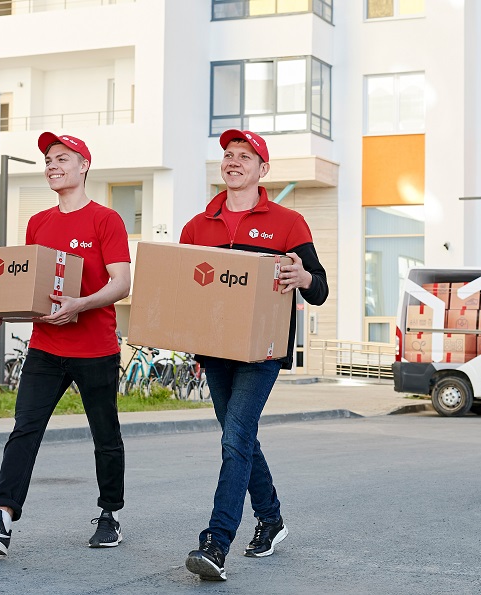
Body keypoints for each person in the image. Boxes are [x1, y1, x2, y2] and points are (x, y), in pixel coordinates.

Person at [0, 132, 131, 556]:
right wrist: (4, 308)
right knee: (25, 429)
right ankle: (1, 520)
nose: (53, 165)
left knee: (105, 435)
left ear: (83, 165)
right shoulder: (38, 223)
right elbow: (31, 286)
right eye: (49, 160)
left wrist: (81, 305)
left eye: (62, 158)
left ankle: (109, 514)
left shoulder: (106, 219)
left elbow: (122, 283)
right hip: (46, 347)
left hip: (95, 348)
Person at [180, 130, 329, 581]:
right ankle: (271, 517)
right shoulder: (197, 226)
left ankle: (216, 542)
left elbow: (320, 288)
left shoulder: (288, 223)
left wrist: (303, 277)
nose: (233, 161)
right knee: (240, 438)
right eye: (228, 155)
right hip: (215, 350)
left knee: (235, 438)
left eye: (245, 156)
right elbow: (184, 290)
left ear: (262, 169)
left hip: (263, 352)